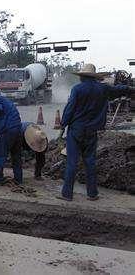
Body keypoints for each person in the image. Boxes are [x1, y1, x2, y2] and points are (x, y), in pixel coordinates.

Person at [57, 64, 135, 201]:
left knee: (72, 162)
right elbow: (118, 89)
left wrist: (63, 124)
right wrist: (129, 88)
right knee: (90, 162)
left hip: (76, 130)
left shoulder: (77, 89)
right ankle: (92, 194)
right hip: (92, 131)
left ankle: (67, 194)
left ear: (82, 76)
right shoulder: (102, 88)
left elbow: (70, 108)